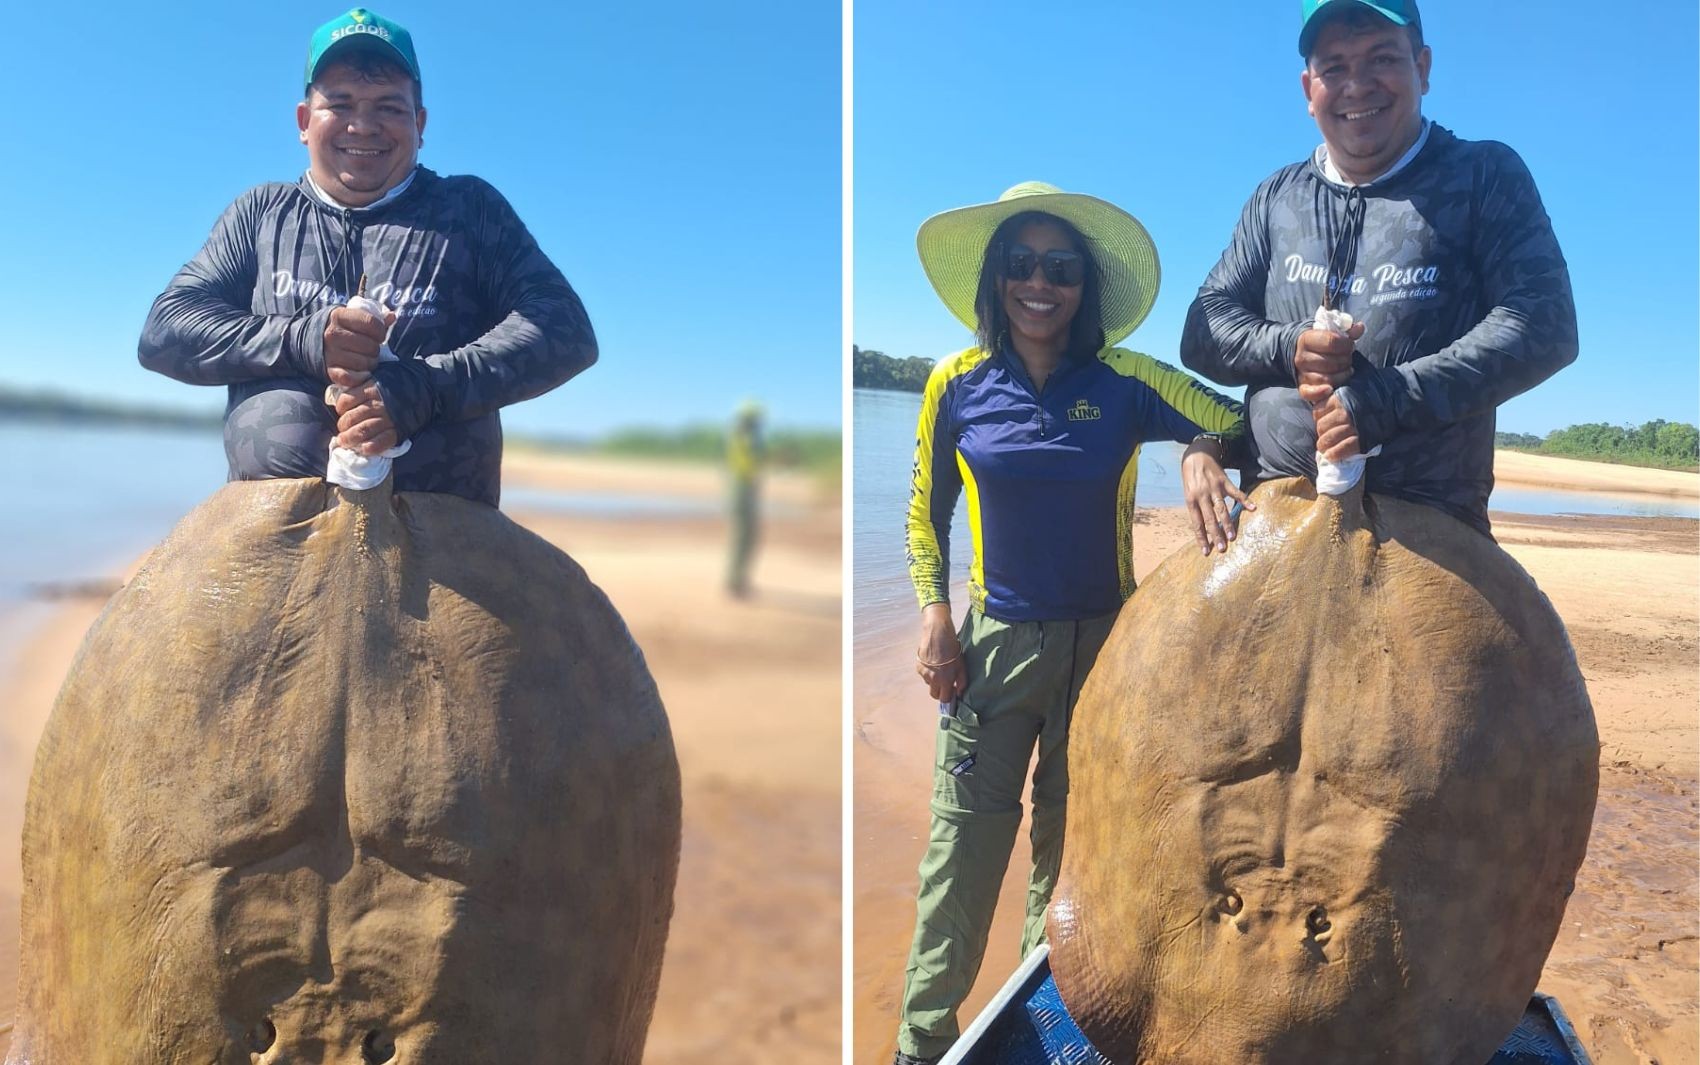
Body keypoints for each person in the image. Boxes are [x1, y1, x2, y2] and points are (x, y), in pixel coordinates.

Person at [893, 182, 1252, 1065]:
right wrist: (935, 612)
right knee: (960, 856)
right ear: (996, 279)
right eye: (1021, 265)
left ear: (1084, 286)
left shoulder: (1125, 384)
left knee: (1071, 864)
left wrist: (1201, 450)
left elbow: (1245, 420)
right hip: (994, 652)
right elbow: (921, 512)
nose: (1039, 284)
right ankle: (920, 1042)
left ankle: (1036, 1029)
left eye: (1060, 268)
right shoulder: (956, 382)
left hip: (1105, 658)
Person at [138, 8, 596, 507]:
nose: (364, 125)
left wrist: (425, 389)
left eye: (389, 108)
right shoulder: (261, 213)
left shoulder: (471, 210)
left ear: (419, 124)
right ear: (303, 121)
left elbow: (565, 329)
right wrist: (303, 338)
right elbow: (164, 333)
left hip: (445, 532)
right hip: (272, 531)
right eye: (341, 103)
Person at [1180, 0, 1577, 536]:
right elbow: (1203, 330)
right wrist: (1289, 347)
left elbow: (1544, 324)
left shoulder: (1483, 175)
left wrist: (1386, 400)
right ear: (1308, 89)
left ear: (1423, 68)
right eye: (1335, 67)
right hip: (1269, 509)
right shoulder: (1277, 197)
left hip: (1430, 520)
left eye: (1382, 59)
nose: (1357, 85)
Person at [726, 400, 765, 597]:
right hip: (743, 491)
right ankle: (736, 583)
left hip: (743, 490)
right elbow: (749, 466)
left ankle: (738, 581)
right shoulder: (746, 438)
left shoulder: (742, 436)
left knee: (746, 537)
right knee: (745, 537)